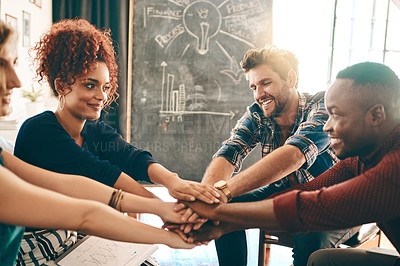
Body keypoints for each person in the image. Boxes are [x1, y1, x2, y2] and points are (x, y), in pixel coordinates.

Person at [13, 18, 218, 264]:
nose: (101, 96)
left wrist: (172, 182)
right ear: (61, 86)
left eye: (106, 87)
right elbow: (101, 174)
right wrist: (165, 210)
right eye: (91, 85)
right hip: (38, 242)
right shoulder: (39, 130)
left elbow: (133, 157)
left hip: (78, 235)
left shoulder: (94, 129)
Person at [183, 61, 400, 266]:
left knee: (311, 237)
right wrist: (217, 211)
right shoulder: (358, 160)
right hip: (315, 200)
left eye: (336, 115)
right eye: (254, 86)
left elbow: (311, 204)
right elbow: (305, 191)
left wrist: (217, 211)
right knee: (321, 260)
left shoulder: (394, 169)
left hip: (336, 207)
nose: (327, 127)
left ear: (375, 116)